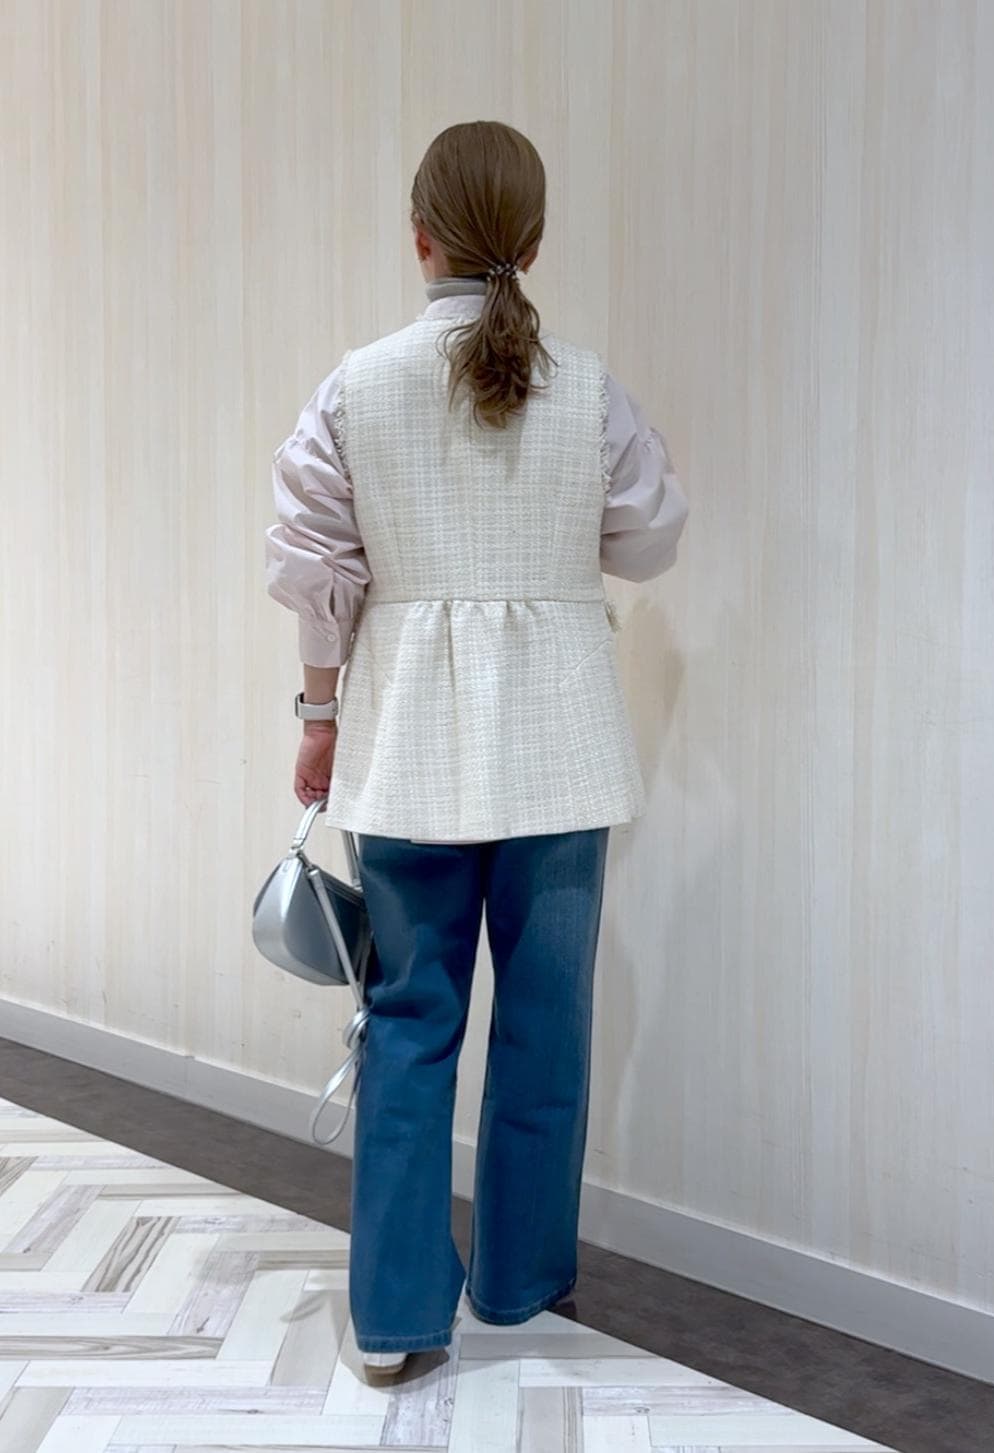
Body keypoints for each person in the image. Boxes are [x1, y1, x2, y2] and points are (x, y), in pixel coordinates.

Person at [264, 120, 688, 1378]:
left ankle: (396, 1320)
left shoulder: (356, 386)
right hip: (562, 752)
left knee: (407, 1019)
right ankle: (519, 1285)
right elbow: (651, 533)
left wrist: (318, 720)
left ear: (420, 237)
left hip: (406, 751)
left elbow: (317, 573)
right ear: (533, 244)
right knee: (546, 1025)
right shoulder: (586, 388)